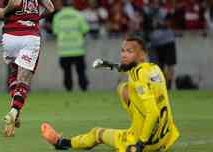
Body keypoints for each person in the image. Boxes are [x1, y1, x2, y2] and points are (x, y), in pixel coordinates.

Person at [41, 36, 180, 152]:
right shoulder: (154, 69)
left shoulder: (138, 76)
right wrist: (109, 65)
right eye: (123, 51)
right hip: (165, 137)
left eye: (129, 51)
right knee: (124, 88)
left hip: (144, 142)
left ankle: (62, 143)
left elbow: (153, 113)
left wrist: (140, 144)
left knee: (97, 133)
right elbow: (127, 68)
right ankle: (139, 128)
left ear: (142, 54)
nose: (124, 54)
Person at [0, 0, 54, 137]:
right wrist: (36, 18)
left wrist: (4, 11)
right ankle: (14, 111)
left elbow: (16, 1)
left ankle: (15, 112)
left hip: (11, 36)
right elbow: (50, 8)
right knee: (24, 81)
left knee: (13, 74)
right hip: (30, 37)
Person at [52, 4, 90, 91]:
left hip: (64, 50)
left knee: (67, 72)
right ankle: (83, 88)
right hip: (78, 49)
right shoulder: (78, 15)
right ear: (72, 6)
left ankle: (69, 89)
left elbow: (55, 32)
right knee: (81, 71)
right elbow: (85, 29)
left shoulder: (58, 16)